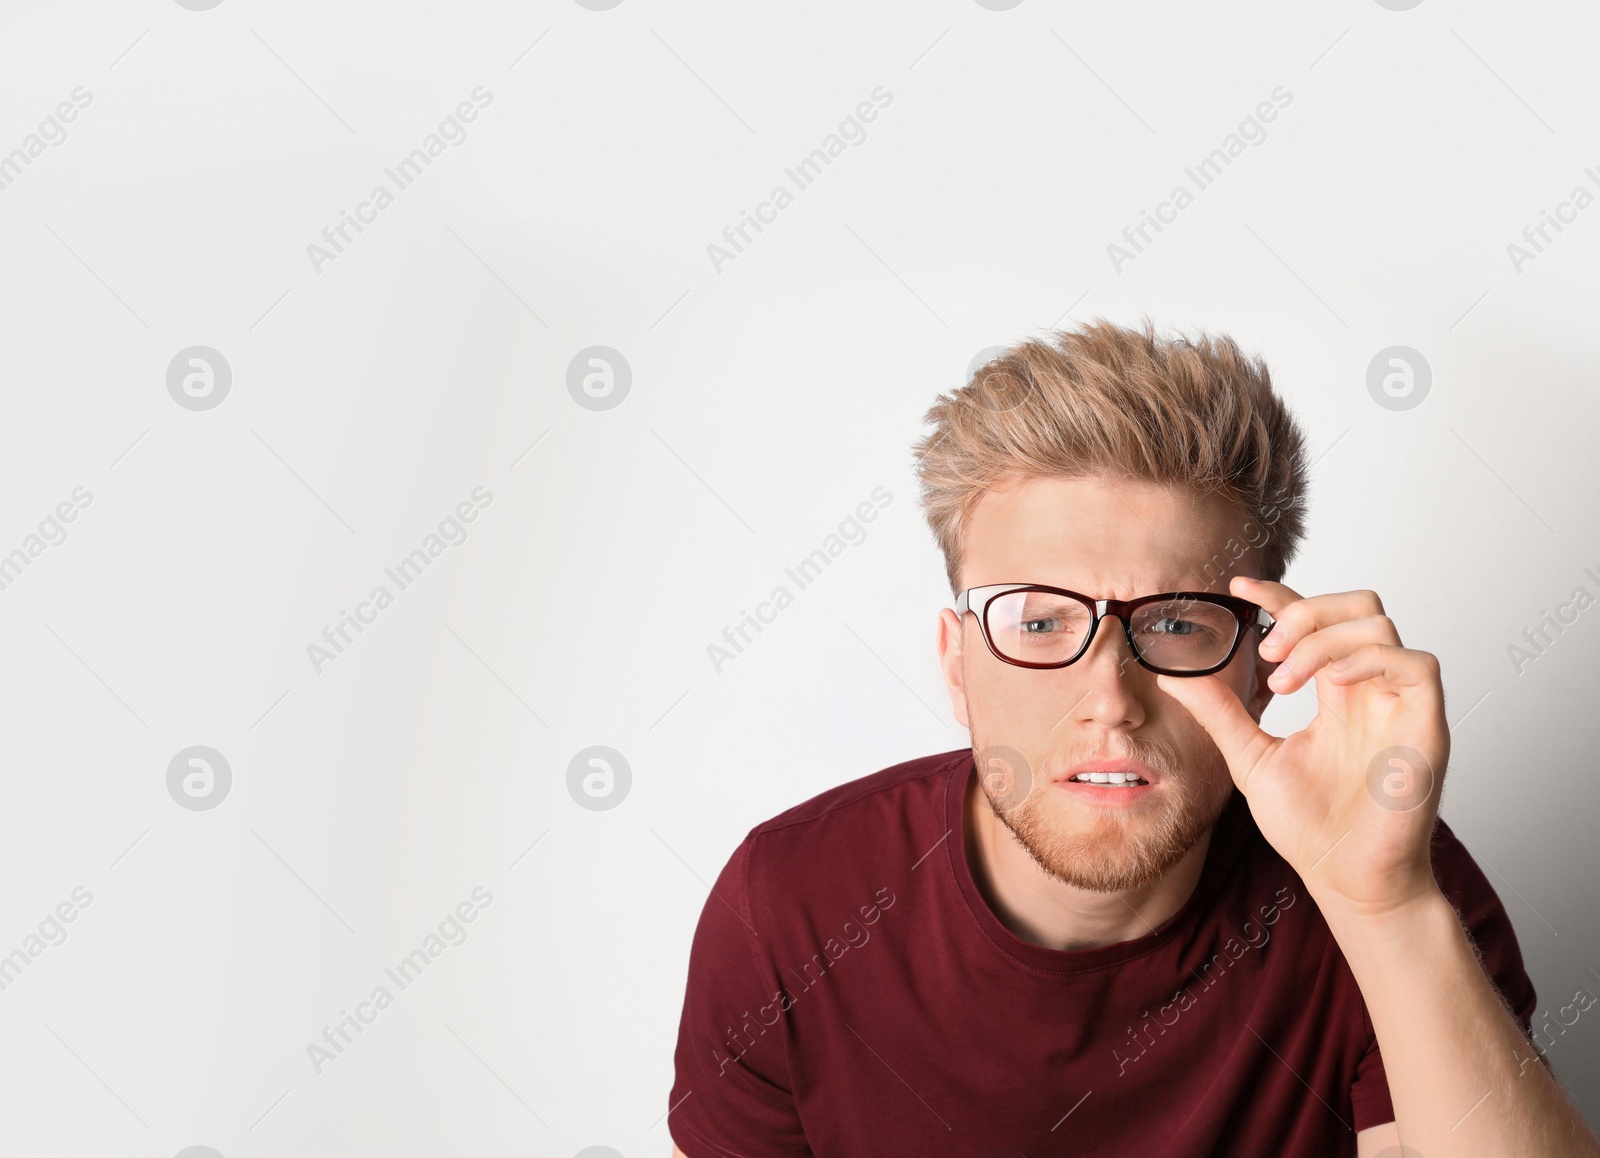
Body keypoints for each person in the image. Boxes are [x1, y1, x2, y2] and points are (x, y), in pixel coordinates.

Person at [665, 320, 1599, 1156]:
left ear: (1267, 666)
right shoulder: (791, 907)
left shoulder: (1388, 882)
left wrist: (1387, 911)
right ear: (958, 664)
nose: (1110, 698)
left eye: (1177, 625)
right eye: (1040, 625)